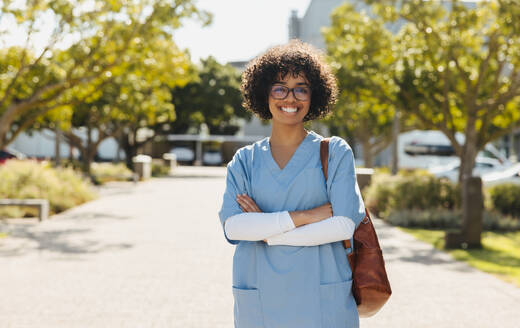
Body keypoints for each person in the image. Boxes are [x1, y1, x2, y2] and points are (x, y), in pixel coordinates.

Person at [218, 40, 366, 328]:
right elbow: (234, 227)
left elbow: (342, 225)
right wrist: (306, 216)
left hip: (323, 303)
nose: (290, 97)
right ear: (264, 94)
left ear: (314, 96)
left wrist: (267, 232)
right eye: (279, 88)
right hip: (261, 302)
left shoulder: (334, 152)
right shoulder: (244, 161)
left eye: (301, 88)